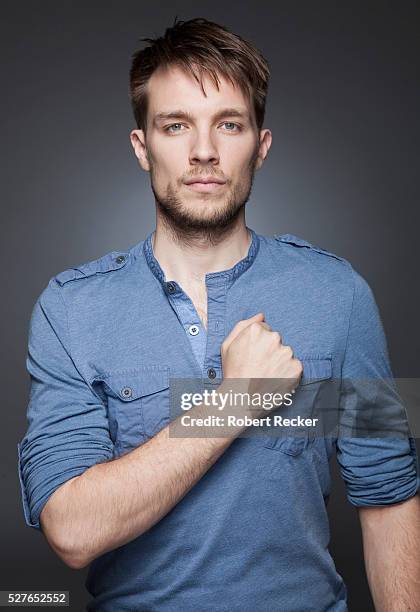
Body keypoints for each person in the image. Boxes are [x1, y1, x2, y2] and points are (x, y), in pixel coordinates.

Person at [18, 17, 419, 612]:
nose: (203, 151)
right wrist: (235, 400)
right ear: (142, 146)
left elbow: (388, 495)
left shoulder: (340, 294)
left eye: (228, 125)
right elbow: (71, 531)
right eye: (176, 125)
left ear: (260, 145)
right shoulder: (69, 310)